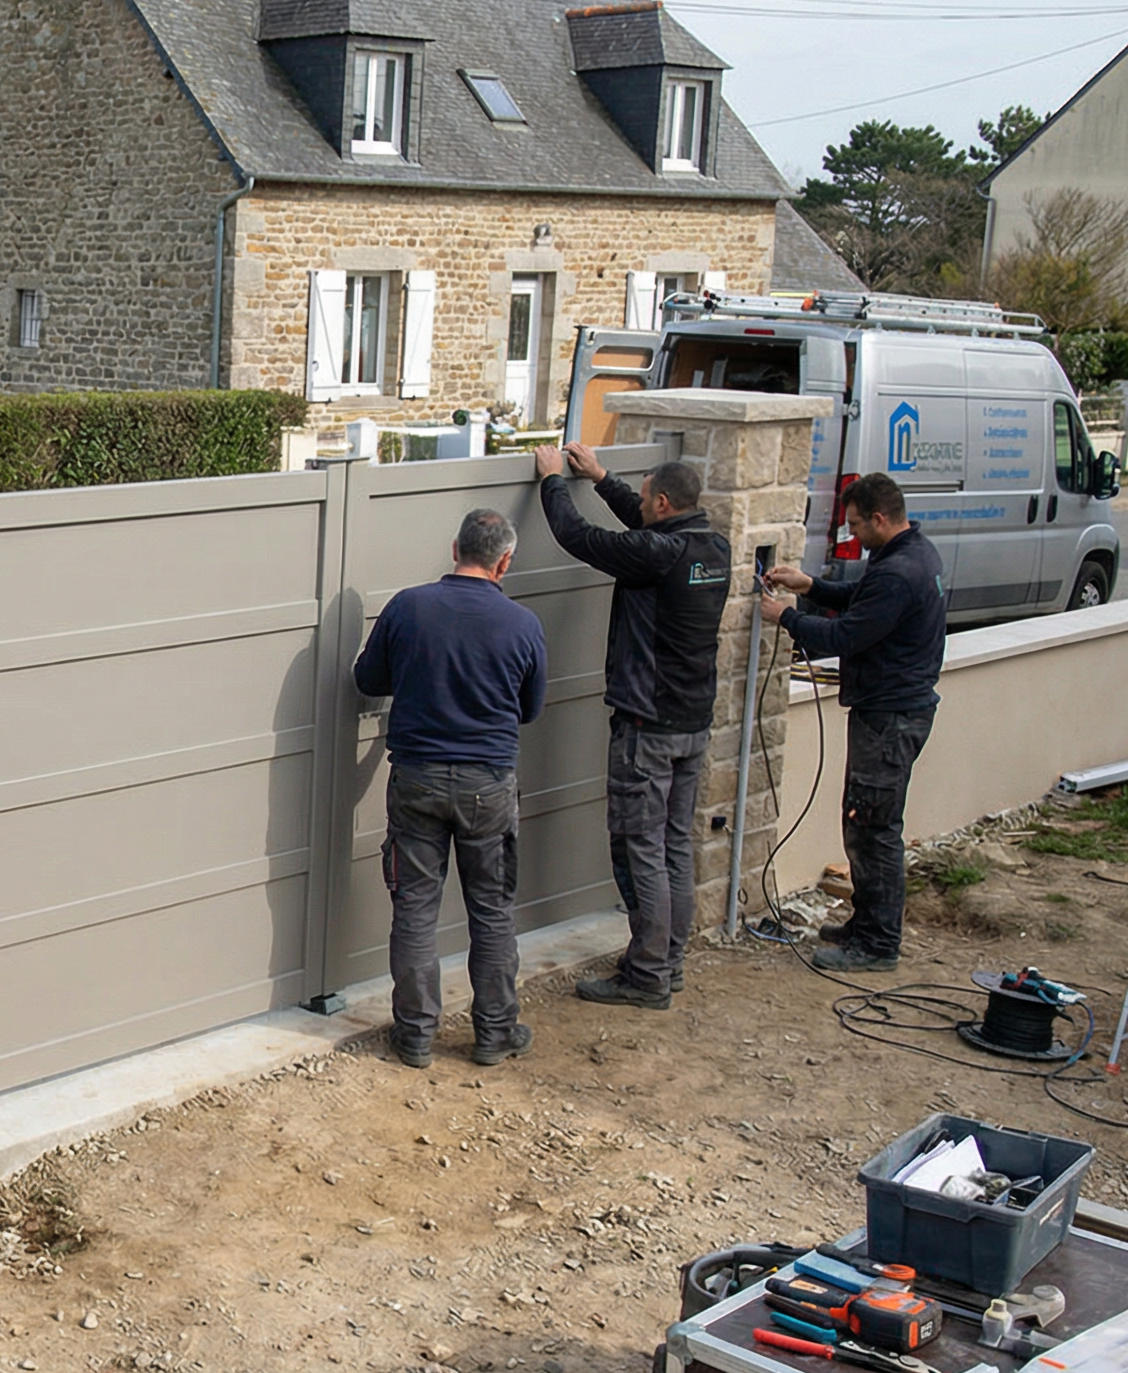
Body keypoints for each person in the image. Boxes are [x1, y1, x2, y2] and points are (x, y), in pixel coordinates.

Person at [534, 443, 731, 1010]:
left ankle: (646, 974)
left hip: (646, 727)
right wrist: (601, 478)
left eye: (645, 499)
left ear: (663, 503)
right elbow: (645, 533)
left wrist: (553, 482)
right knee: (672, 847)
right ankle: (667, 962)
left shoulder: (660, 553)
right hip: (691, 724)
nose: (640, 505)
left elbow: (581, 539)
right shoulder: (710, 547)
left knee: (640, 848)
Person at [354, 508, 548, 1069]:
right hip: (489, 784)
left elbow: (367, 679)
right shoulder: (522, 624)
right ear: (505, 561)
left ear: (454, 546)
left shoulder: (409, 607)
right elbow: (529, 710)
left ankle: (414, 1036)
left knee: (415, 909)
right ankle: (494, 1033)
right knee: (491, 912)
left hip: (417, 779)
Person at [761, 472, 947, 974]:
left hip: (889, 718)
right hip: (894, 710)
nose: (853, 534)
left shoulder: (897, 571)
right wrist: (812, 586)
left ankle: (878, 943)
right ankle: (866, 924)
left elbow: (846, 636)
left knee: (872, 828)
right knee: (865, 821)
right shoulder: (913, 553)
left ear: (880, 518)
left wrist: (785, 617)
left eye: (857, 525)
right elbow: (863, 601)